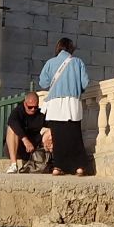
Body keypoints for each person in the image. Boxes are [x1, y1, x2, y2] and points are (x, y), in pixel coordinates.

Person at [36, 38, 91, 175]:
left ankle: (57, 167)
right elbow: (85, 83)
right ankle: (79, 166)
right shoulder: (77, 62)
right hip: (72, 103)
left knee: (58, 137)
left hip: (55, 104)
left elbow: (43, 82)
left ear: (58, 48)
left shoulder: (50, 63)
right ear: (71, 48)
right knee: (74, 135)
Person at [4, 92, 48, 173]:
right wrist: (25, 140)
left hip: (34, 149)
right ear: (25, 103)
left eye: (35, 107)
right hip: (18, 148)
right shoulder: (17, 112)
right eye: (30, 107)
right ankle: (13, 164)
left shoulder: (40, 114)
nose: (33, 109)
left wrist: (46, 134)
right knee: (12, 128)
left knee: (49, 132)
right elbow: (12, 122)